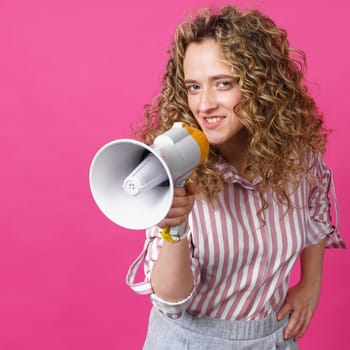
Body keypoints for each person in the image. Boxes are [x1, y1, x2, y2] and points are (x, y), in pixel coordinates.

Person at [126, 5, 345, 349]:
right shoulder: (175, 165)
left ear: (263, 85)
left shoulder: (297, 159)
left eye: (223, 83)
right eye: (194, 87)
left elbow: (316, 209)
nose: (205, 104)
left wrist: (311, 282)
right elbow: (171, 300)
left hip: (272, 338)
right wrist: (175, 228)